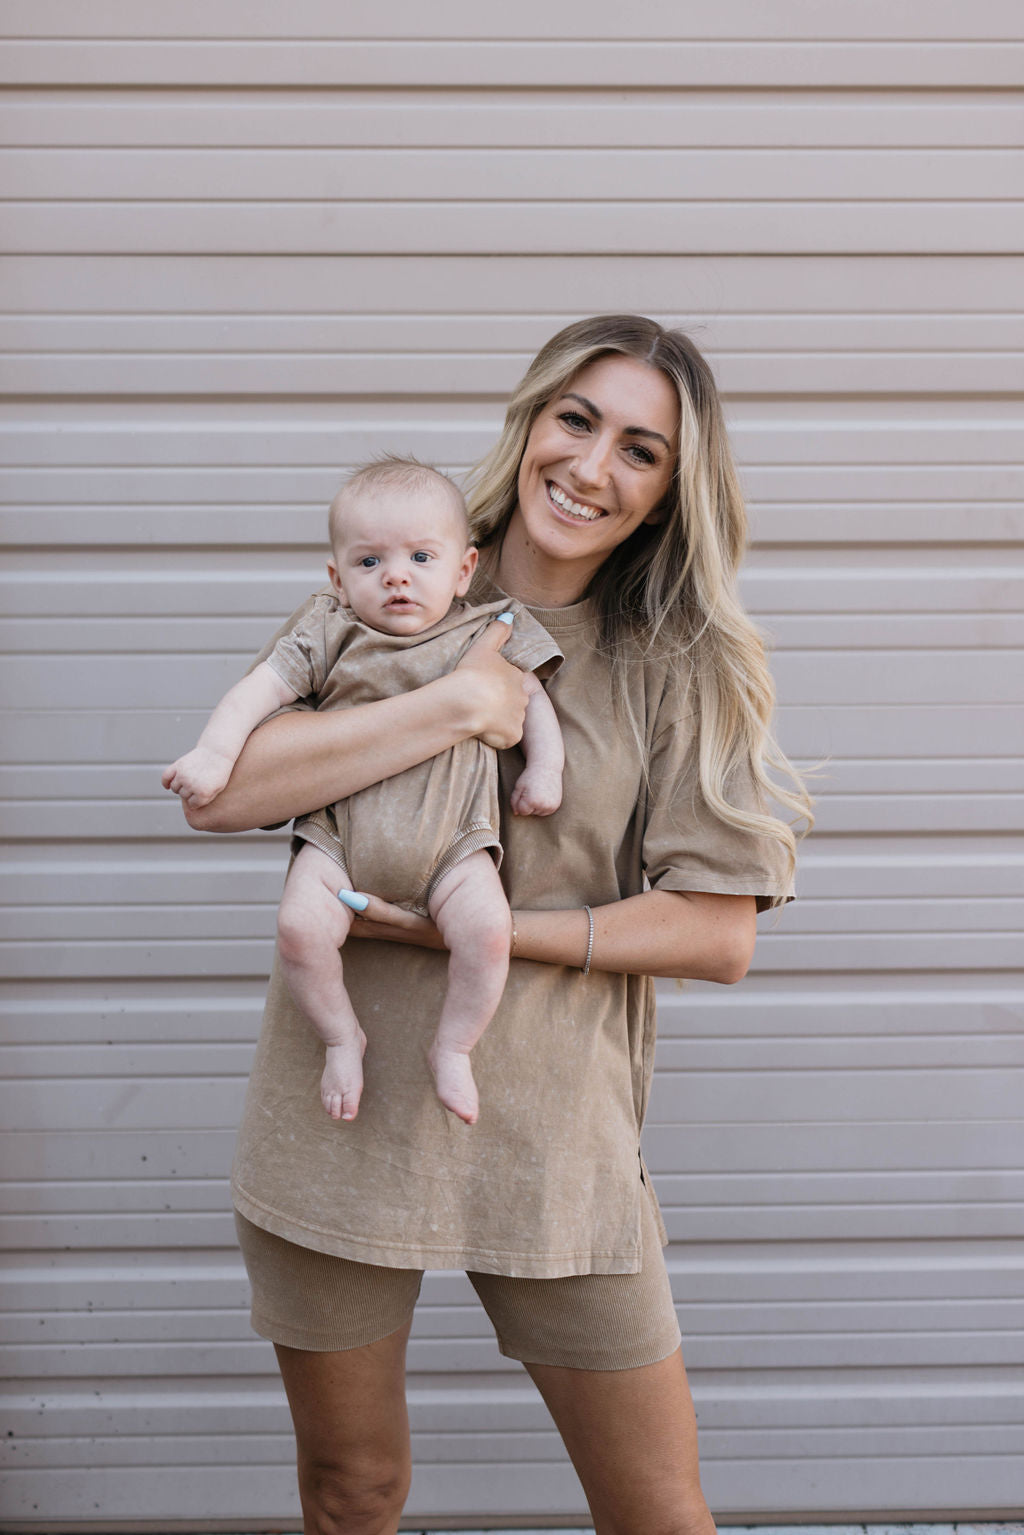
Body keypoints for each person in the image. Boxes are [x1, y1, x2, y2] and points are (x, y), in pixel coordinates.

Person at [182, 316, 811, 1535]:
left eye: (640, 448)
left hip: (554, 1140)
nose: (590, 466)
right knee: (350, 1490)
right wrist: (465, 698)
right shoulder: (394, 577)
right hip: (339, 1116)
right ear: (529, 421)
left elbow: (716, 932)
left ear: (670, 491)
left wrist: (476, 932)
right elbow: (229, 794)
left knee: (655, 1510)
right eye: (576, 420)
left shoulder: (677, 662)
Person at [163, 458, 564, 1125]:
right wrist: (213, 752)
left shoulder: (489, 628)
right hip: (340, 842)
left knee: (489, 935)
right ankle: (342, 1037)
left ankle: (454, 1045)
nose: (396, 575)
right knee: (298, 929)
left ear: (464, 570)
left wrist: (543, 768)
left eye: (420, 557)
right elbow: (257, 691)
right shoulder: (329, 629)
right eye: (370, 562)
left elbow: (532, 698)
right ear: (337, 577)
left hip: (452, 845)